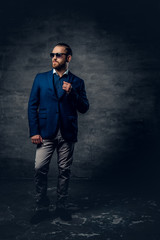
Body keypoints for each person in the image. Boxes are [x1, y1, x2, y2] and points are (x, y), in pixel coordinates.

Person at [28, 43, 89, 224]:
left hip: (67, 133)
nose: (54, 58)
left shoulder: (78, 82)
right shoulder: (40, 78)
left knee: (64, 171)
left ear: (68, 58)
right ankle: (42, 207)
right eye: (52, 54)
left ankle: (61, 206)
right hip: (45, 132)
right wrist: (34, 131)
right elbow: (32, 106)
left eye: (58, 55)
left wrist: (73, 93)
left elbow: (84, 108)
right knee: (39, 168)